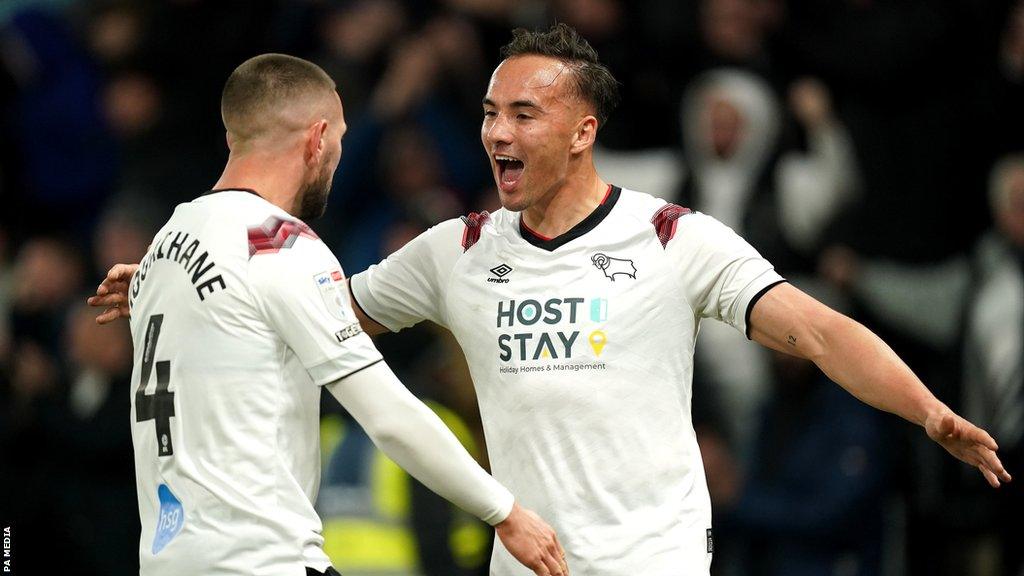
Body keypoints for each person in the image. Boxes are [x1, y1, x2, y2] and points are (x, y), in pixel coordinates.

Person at [93, 28, 1011, 575]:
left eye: (522, 114)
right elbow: (315, 311)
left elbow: (816, 330)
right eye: (490, 112)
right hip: (526, 561)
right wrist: (187, 282)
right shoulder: (455, 250)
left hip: (652, 562)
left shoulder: (670, 236)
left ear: (583, 131)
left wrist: (927, 410)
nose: (496, 130)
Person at [87, 54, 568, 576]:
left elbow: (223, 310)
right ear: (317, 139)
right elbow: (388, 415)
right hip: (260, 561)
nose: (336, 160)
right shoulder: (277, 247)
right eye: (337, 141)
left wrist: (155, 282)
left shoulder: (168, 242)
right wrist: (506, 512)